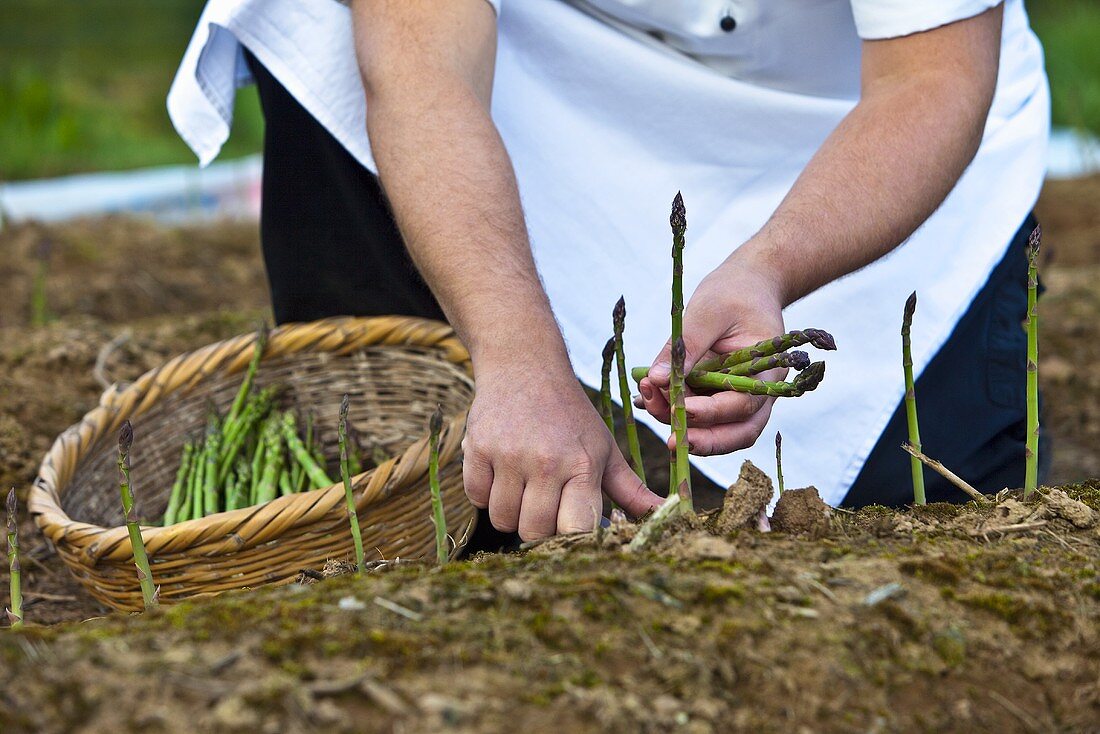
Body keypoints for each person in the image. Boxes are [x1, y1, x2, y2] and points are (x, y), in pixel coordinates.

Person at [169, 0, 1050, 543]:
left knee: (916, 508)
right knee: (318, 12)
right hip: (539, 69)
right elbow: (420, 60)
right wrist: (516, 359)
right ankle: (439, 439)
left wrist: (769, 270)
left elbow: (928, 80)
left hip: (841, 127)